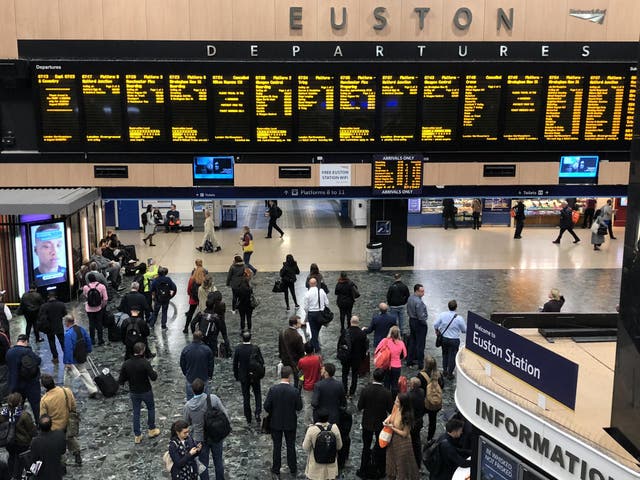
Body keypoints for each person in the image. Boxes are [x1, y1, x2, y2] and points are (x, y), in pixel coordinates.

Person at [183, 378, 229, 480]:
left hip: (200, 439)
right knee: (218, 461)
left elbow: (186, 423)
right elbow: (225, 414)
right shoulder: (213, 399)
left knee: (203, 464)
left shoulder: (188, 406)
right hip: (215, 434)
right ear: (204, 388)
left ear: (192, 390)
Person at [263, 365, 303, 479]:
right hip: (290, 422)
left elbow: (266, 406)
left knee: (277, 446)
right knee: (291, 446)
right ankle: (293, 467)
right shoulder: (294, 391)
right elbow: (299, 407)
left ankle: (276, 468)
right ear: (290, 376)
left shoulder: (273, 390)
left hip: (276, 422)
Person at [118, 342, 161, 444]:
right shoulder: (145, 362)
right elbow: (153, 377)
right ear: (142, 350)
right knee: (151, 408)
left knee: (136, 412)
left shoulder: (126, 363)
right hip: (146, 390)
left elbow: (121, 380)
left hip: (134, 392)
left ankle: (137, 435)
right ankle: (151, 429)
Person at [357, 368, 393, 479]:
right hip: (380, 423)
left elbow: (359, 406)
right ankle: (380, 470)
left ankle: (363, 469)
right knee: (381, 447)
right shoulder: (387, 392)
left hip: (367, 422)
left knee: (366, 447)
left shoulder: (366, 390)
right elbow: (390, 410)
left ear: (373, 376)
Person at [40, 374, 82, 466]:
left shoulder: (44, 400)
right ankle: (77, 455)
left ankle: (62, 466)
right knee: (70, 439)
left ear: (43, 386)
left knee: (58, 447)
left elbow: (43, 417)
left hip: (55, 428)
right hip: (68, 422)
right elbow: (73, 406)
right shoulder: (66, 391)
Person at [0, 392, 37, 478]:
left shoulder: (3, 414)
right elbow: (32, 430)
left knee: (12, 457)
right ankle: (18, 476)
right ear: (19, 403)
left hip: (9, 441)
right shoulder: (24, 415)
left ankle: (9, 475)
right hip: (22, 443)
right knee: (21, 460)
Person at [6, 334, 42, 421]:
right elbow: (38, 361)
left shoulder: (9, 352)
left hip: (15, 384)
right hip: (30, 384)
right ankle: (38, 423)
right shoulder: (27, 351)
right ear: (26, 341)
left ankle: (15, 425)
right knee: (36, 405)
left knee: (16, 406)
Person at [384, 393, 419, 480]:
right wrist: (386, 421)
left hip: (402, 443)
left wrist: (392, 428)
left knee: (402, 465)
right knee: (391, 461)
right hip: (393, 441)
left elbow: (405, 434)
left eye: (397, 401)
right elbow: (392, 416)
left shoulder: (407, 416)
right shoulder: (397, 408)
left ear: (403, 403)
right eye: (395, 400)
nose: (395, 402)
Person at [63, 315, 99, 399]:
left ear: (67, 322)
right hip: (82, 355)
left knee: (67, 375)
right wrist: (88, 350)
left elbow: (68, 349)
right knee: (83, 371)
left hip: (74, 358)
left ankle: (66, 393)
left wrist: (68, 362)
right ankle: (92, 389)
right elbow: (88, 340)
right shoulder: (81, 329)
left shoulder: (68, 334)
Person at [232, 330, 264, 425]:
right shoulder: (255, 348)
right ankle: (258, 412)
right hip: (255, 375)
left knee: (246, 397)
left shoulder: (238, 349)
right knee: (257, 394)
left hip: (243, 376)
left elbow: (235, 364)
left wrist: (236, 375)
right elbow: (261, 361)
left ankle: (248, 417)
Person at [302, 409, 343, 480]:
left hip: (315, 468)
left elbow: (305, 447)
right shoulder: (334, 428)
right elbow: (339, 446)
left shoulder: (311, 429)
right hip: (331, 467)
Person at [433, 300, 467, 380]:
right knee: (452, 356)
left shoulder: (442, 315)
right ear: (456, 307)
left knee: (444, 354)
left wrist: (437, 330)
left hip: (444, 339)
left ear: (448, 306)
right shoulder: (459, 318)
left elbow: (435, 324)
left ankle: (444, 370)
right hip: (454, 340)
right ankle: (450, 373)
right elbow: (464, 330)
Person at [30, 415, 67, 480]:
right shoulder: (59, 434)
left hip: (43, 475)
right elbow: (63, 451)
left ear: (39, 426)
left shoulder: (35, 441)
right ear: (51, 424)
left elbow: (34, 459)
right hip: (56, 472)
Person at [180, 331, 214, 401]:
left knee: (190, 400)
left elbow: (182, 364)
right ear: (202, 338)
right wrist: (210, 375)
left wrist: (186, 374)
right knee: (205, 401)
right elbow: (210, 365)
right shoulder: (207, 350)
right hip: (204, 378)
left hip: (190, 378)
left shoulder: (186, 349)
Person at [417, 356, 445, 442]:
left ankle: (417, 432)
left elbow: (418, 389)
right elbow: (442, 386)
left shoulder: (421, 375)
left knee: (418, 417)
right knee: (433, 420)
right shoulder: (439, 374)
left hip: (424, 402)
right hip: (435, 402)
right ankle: (430, 438)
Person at [339, 315, 368, 398]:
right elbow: (364, 347)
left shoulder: (345, 332)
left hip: (346, 357)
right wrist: (362, 358)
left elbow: (340, 344)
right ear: (358, 322)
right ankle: (352, 391)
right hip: (357, 358)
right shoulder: (362, 334)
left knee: (344, 374)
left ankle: (344, 390)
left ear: (350, 322)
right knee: (354, 375)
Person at [376, 326, 407, 399]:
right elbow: (404, 355)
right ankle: (393, 400)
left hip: (387, 366)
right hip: (397, 367)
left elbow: (377, 350)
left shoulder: (385, 341)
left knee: (386, 383)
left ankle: (385, 399)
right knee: (395, 384)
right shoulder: (401, 343)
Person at [36, 292, 66, 364]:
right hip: (59, 326)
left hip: (49, 328)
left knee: (51, 342)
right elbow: (64, 313)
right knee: (62, 342)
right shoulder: (61, 304)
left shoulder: (44, 306)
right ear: (56, 296)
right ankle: (67, 355)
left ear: (48, 297)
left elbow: (40, 317)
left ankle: (55, 358)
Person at [298, 342, 323, 425]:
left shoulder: (302, 361)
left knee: (308, 405)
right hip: (317, 384)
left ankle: (307, 422)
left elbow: (299, 370)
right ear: (313, 350)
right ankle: (316, 420)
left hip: (307, 385)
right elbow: (321, 369)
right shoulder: (318, 358)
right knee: (317, 404)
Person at [303, 277, 330, 353]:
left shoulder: (307, 294)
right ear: (316, 283)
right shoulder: (321, 291)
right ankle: (313, 344)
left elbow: (305, 307)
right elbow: (327, 302)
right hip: (321, 314)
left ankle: (316, 348)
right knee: (316, 331)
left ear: (309, 284)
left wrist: (307, 314)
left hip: (312, 314)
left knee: (313, 330)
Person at [279, 315, 305, 390]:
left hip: (285, 359)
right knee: (298, 378)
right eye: (299, 323)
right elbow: (301, 352)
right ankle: (296, 391)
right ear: (294, 324)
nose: (301, 324)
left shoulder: (282, 332)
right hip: (295, 362)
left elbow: (280, 346)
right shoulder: (298, 337)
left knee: (285, 376)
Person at [406, 284, 428, 368]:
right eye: (421, 291)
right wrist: (425, 319)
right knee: (420, 344)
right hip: (419, 323)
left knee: (412, 341)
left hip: (412, 320)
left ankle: (409, 361)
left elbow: (408, 310)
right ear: (416, 291)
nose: (423, 293)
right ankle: (421, 364)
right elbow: (421, 316)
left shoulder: (410, 298)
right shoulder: (419, 302)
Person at [82, 272, 107, 346]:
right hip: (99, 308)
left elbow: (85, 296)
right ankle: (100, 340)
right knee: (99, 323)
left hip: (89, 309)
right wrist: (102, 306)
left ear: (89, 280)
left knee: (91, 324)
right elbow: (105, 298)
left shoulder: (86, 287)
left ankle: (92, 340)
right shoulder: (101, 286)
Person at [407, 377, 426, 469]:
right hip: (419, 420)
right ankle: (418, 462)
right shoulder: (421, 392)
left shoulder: (410, 396)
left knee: (413, 441)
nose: (408, 383)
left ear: (413, 385)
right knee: (416, 441)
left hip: (412, 421)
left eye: (410, 382)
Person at [184, 265, 207, 333]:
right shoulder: (204, 279)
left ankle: (186, 328)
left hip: (193, 299)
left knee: (190, 313)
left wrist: (191, 295)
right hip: (201, 299)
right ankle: (201, 328)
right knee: (202, 313)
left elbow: (188, 290)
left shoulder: (191, 279)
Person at [0, 325, 10, 401]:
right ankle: (4, 398)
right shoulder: (2, 335)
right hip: (2, 362)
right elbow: (8, 349)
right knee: (4, 381)